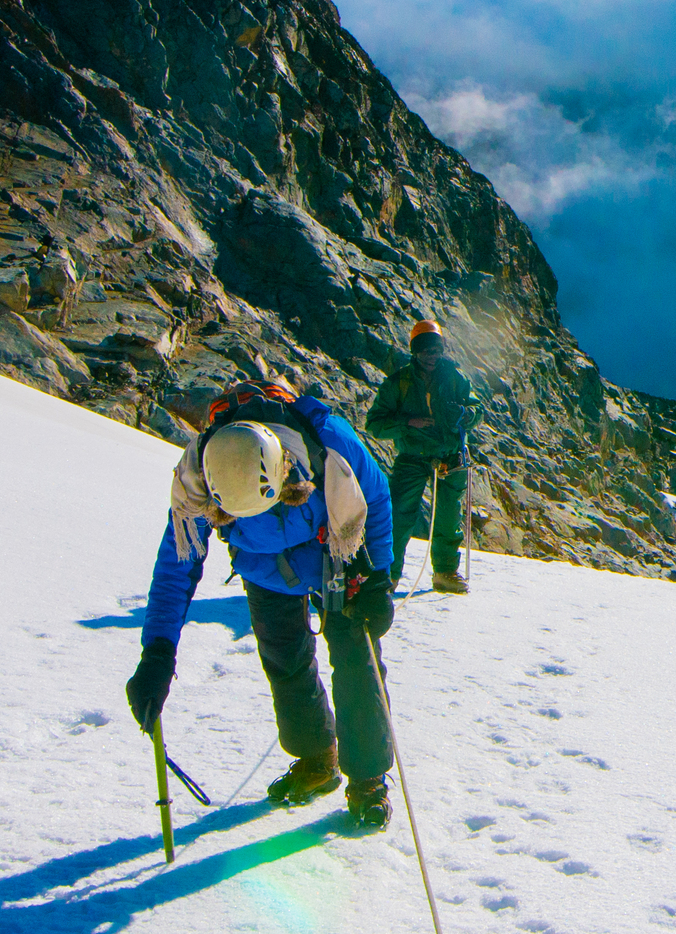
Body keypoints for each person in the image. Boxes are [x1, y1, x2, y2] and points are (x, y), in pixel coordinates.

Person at [125, 379, 402, 832]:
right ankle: (317, 758)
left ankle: (369, 778)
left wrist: (379, 578)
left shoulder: (328, 444)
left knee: (356, 659)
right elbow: (178, 565)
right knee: (284, 659)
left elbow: (376, 497)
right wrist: (157, 652)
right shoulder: (196, 477)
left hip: (337, 549)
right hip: (263, 569)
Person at [364, 318, 477, 594]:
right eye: (427, 351)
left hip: (449, 455)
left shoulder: (454, 376)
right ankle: (387, 576)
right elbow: (374, 424)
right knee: (399, 516)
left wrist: (465, 414)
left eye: (436, 350)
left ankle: (445, 573)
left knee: (448, 517)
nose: (432, 356)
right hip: (413, 456)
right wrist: (407, 423)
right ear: (416, 351)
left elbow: (476, 408)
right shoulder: (398, 383)